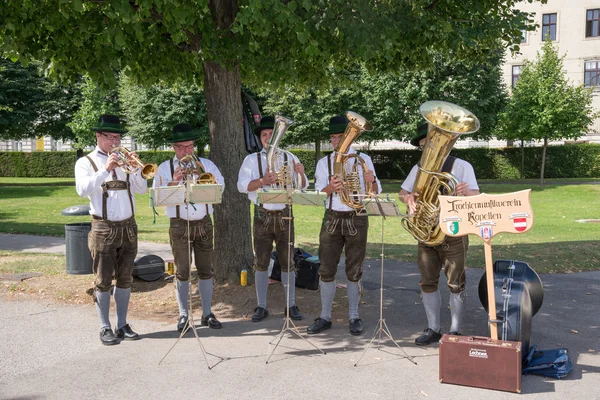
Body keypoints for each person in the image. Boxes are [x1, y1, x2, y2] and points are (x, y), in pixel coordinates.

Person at [399, 122, 480, 346]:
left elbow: (476, 195)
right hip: (426, 232)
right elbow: (403, 192)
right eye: (424, 146)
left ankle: (455, 330)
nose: (427, 150)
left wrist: (466, 193)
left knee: (456, 282)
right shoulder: (418, 169)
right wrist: (408, 199)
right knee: (427, 282)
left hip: (454, 232)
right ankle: (433, 327)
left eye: (431, 144)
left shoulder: (462, 166)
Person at [75, 114, 147, 346]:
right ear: (98, 135)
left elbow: (141, 190)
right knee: (103, 279)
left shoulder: (126, 162)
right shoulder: (86, 162)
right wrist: (106, 169)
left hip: (128, 226)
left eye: (117, 137)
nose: (114, 141)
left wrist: (136, 170)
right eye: (109, 136)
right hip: (103, 227)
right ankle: (104, 326)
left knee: (126, 278)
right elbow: (82, 189)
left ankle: (122, 324)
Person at [307, 114, 382, 336]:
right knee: (326, 268)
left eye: (340, 136)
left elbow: (375, 193)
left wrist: (372, 181)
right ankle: (325, 316)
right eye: (333, 137)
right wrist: (330, 187)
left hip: (357, 216)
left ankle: (353, 315)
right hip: (332, 217)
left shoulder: (363, 159)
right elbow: (318, 194)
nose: (336, 141)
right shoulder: (324, 163)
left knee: (354, 269)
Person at [152, 123, 225, 332]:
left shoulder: (206, 164)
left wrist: (200, 174)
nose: (188, 151)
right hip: (179, 224)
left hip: (203, 223)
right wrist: (174, 182)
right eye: (183, 147)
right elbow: (157, 196)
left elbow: (220, 186)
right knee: (182, 271)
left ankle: (207, 313)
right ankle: (184, 314)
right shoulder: (165, 167)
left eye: (191, 146)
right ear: (174, 148)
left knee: (206, 270)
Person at [237, 116, 308, 322]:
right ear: (260, 138)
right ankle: (261, 305)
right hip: (262, 214)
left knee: (288, 262)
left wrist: (301, 174)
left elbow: (301, 186)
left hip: (286, 213)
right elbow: (242, 186)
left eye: (272, 134)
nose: (269, 138)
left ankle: (291, 304)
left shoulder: (289, 156)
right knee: (261, 262)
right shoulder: (251, 160)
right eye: (265, 135)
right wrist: (262, 181)